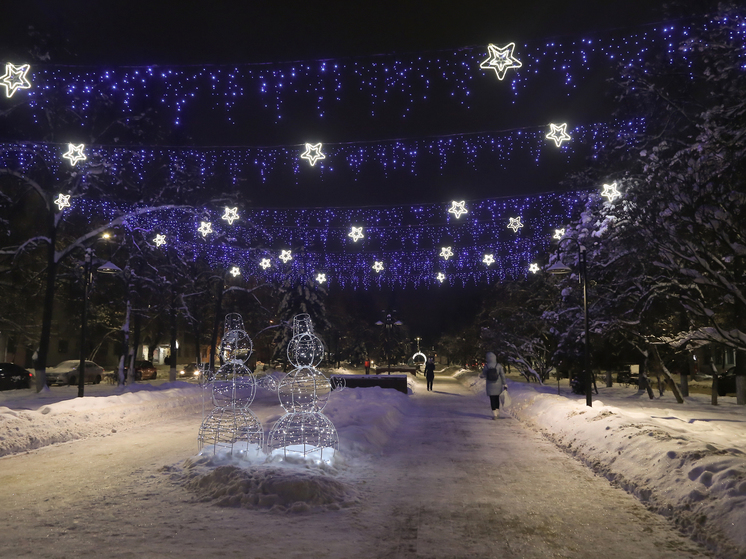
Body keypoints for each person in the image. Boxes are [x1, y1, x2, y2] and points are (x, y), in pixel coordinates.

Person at [480, 351, 507, 419]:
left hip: (490, 385)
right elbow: (502, 375)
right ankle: (498, 412)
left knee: (492, 399)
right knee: (497, 398)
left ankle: (494, 414)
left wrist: (481, 376)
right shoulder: (498, 365)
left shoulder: (486, 366)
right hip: (498, 385)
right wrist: (504, 383)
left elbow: (483, 375)